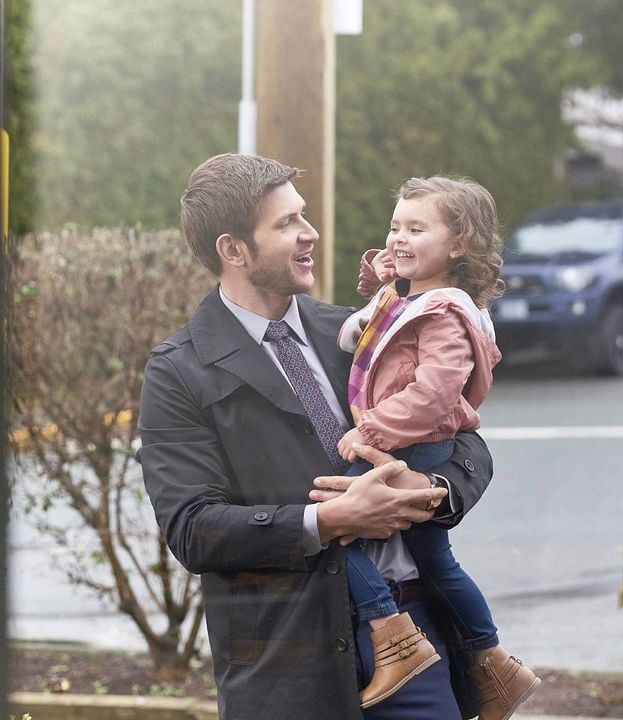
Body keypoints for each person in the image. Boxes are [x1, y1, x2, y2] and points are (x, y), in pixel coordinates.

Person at [138, 153, 493, 720]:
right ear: (233, 250)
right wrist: (330, 519)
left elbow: (463, 437)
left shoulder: (353, 329)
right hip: (286, 666)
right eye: (286, 224)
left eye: (302, 216)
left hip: (415, 636)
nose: (311, 234)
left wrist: (429, 487)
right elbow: (193, 529)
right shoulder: (179, 370)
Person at [334, 176, 540, 716]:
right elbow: (375, 335)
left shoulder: (445, 312)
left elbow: (432, 393)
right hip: (405, 441)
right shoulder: (415, 299)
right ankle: (492, 661)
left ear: (459, 244)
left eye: (416, 227)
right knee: (435, 560)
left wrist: (370, 432)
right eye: (395, 225)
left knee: (338, 526)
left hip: (411, 445)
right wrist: (382, 285)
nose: (399, 237)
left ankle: (392, 636)